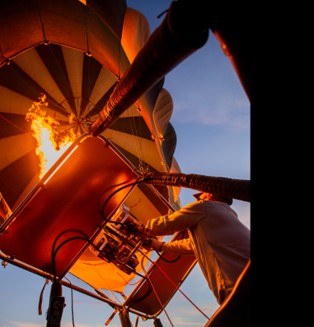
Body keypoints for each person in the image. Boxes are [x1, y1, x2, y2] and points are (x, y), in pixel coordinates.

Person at [145, 191, 250, 306]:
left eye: (201, 195)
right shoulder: (228, 215)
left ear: (210, 193)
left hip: (236, 287)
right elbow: (192, 244)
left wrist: (142, 227)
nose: (198, 200)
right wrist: (161, 246)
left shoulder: (204, 207)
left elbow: (166, 224)